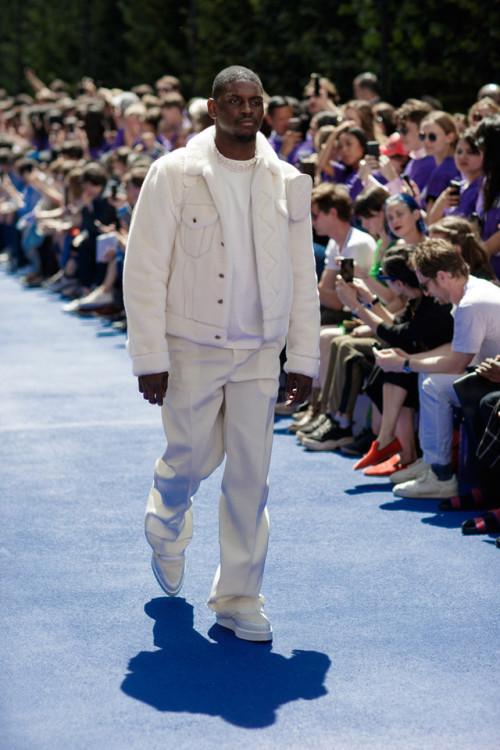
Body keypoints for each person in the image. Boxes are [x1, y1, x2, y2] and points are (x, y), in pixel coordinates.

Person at [122, 66, 320, 642]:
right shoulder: (174, 173)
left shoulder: (287, 179)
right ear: (213, 108)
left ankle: (238, 596)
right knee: (188, 460)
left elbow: (302, 275)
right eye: (234, 101)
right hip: (190, 348)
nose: (246, 110)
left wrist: (303, 358)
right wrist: (148, 355)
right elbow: (145, 268)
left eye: (255, 101)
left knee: (251, 480)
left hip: (260, 351)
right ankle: (165, 525)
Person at [375, 238, 500, 498]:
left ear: (441, 276)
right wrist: (407, 361)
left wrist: (405, 364)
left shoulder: (470, 303)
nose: (427, 293)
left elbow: (456, 364)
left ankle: (441, 476)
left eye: (425, 285)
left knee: (434, 386)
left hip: (493, 381)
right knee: (428, 377)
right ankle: (432, 463)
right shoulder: (470, 292)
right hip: (487, 375)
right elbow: (455, 352)